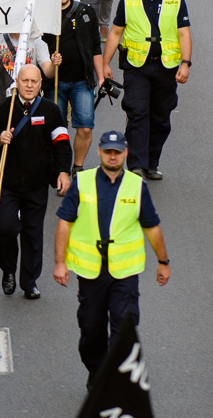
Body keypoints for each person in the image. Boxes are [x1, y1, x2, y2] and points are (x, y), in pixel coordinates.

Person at [53, 130, 168, 387]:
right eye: (108, 151)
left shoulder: (136, 186)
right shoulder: (82, 183)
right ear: (99, 152)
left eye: (118, 152)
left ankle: (116, 381)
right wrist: (59, 262)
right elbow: (64, 223)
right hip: (91, 272)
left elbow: (152, 226)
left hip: (124, 273)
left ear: (125, 153)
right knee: (91, 330)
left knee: (123, 330)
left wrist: (163, 261)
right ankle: (97, 370)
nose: (113, 156)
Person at [0, 65, 71, 299]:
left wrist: (63, 172)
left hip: (37, 183)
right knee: (5, 229)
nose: (29, 85)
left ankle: (29, 281)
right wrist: (0, 138)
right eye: (25, 81)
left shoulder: (51, 111)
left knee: (33, 233)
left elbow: (61, 143)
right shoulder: (3, 108)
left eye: (34, 81)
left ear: (41, 83)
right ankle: (8, 269)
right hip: (7, 183)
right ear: (17, 83)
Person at [100, 0, 191, 181]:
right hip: (136, 67)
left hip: (166, 67)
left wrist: (186, 63)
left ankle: (151, 162)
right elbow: (115, 32)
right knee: (137, 113)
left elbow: (183, 33)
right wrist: (104, 64)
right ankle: (137, 165)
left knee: (160, 118)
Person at [45, 0, 105, 176]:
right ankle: (60, 169)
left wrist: (102, 76)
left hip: (81, 81)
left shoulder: (85, 12)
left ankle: (77, 167)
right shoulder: (46, 15)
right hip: (55, 82)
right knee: (57, 131)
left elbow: (95, 46)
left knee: (85, 128)